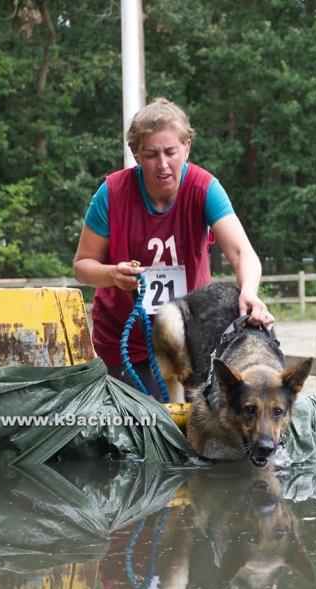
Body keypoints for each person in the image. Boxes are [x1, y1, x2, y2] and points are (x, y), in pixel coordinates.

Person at [73, 97, 274, 394]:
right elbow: (82, 266)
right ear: (135, 154)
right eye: (152, 154)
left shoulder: (205, 187)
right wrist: (112, 275)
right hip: (125, 342)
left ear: (187, 147)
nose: (163, 165)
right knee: (140, 430)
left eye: (171, 152)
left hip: (192, 336)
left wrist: (249, 292)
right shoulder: (111, 193)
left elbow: (243, 253)